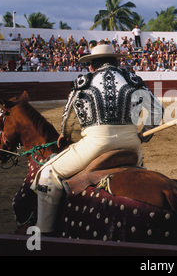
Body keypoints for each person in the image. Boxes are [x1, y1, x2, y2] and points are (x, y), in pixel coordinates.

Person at [32, 44, 164, 234]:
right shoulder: (133, 79)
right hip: (131, 144)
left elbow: (68, 120)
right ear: (116, 62)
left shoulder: (83, 81)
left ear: (92, 65)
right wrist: (144, 134)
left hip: (95, 144)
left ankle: (44, 232)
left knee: (48, 174)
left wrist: (67, 135)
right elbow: (158, 111)